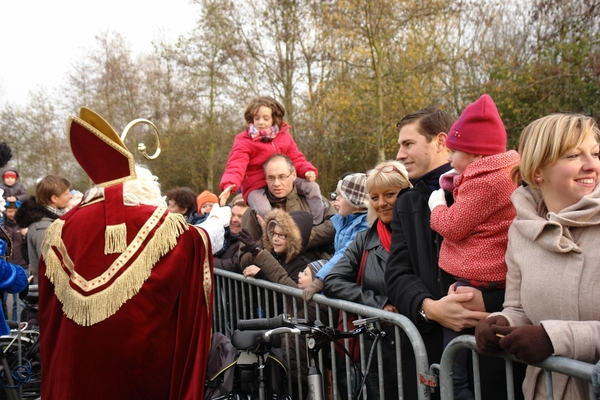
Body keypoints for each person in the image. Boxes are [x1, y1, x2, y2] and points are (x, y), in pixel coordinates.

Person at [38, 107, 213, 399]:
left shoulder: (59, 229)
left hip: (72, 374)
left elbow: (49, 314)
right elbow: (196, 254)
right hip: (139, 376)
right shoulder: (173, 230)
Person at [384, 106, 524, 399]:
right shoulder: (407, 202)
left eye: (408, 144)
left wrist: (490, 300)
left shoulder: (503, 187)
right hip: (433, 350)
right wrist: (430, 308)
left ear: (440, 141)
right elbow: (397, 273)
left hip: (497, 346)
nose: (399, 154)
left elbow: (524, 263)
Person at [475, 113, 600, 400]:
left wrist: (553, 339)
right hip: (547, 391)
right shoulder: (521, 232)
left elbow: (548, 335)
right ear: (538, 171)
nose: (591, 164)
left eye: (595, 153)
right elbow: (518, 307)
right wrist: (500, 323)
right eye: (573, 155)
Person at [427, 94, 520, 399]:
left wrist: (437, 205)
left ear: (475, 154)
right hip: (496, 280)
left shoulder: (485, 182)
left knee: (455, 365)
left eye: (454, 152)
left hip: (476, 278)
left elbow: (453, 226)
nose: (450, 159)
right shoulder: (505, 174)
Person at [323, 160, 412, 399]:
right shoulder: (365, 239)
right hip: (379, 350)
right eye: (374, 197)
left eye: (390, 194)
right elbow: (332, 280)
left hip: (417, 346)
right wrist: (378, 303)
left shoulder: (423, 233)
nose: (381, 203)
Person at [240, 209, 326, 399]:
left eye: (283, 235)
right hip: (284, 341)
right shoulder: (277, 257)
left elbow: (288, 289)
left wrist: (262, 268)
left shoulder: (304, 266)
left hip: (297, 346)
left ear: (294, 239)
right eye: (274, 234)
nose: (276, 239)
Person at [219, 96, 324, 224]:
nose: (260, 122)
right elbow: (236, 164)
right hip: (255, 185)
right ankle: (274, 235)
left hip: (282, 178)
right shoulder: (244, 140)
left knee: (313, 187)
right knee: (264, 210)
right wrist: (230, 183)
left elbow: (295, 158)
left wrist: (307, 170)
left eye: (265, 118)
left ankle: (316, 222)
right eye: (256, 118)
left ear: (274, 118)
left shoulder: (284, 136)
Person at [240, 154, 336, 267]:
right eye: (271, 177)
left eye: (282, 176)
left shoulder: (312, 199)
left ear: (294, 175)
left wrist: (293, 238)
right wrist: (269, 239)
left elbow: (335, 224)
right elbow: (244, 261)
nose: (276, 183)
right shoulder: (254, 212)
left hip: (317, 274)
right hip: (276, 279)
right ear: (265, 179)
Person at [301, 172, 370, 301]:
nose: (336, 198)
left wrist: (320, 280)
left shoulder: (363, 227)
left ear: (355, 203)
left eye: (341, 196)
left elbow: (344, 255)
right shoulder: (343, 221)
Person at [15, 175, 72, 284]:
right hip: (52, 291)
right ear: (54, 198)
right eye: (66, 193)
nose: (70, 196)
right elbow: (50, 266)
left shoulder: (52, 221)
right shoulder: (43, 227)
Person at [2, 200, 29, 321]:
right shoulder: (2, 227)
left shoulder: (24, 225)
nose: (12, 214)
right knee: (3, 298)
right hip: (5, 267)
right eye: (10, 211)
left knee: (19, 301)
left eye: (14, 211)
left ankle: (19, 324)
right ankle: (8, 323)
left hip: (22, 265)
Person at [213, 198, 248, 272]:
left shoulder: (249, 240)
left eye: (240, 217)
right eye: (232, 214)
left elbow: (235, 264)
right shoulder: (222, 233)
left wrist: (208, 262)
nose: (234, 220)